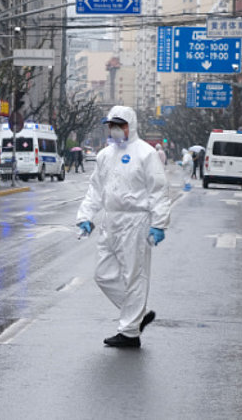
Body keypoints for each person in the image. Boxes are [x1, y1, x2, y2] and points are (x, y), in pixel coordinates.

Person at [76, 105, 171, 348]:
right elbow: (95, 189)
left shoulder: (146, 154)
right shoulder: (105, 155)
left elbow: (158, 191)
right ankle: (139, 314)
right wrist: (85, 216)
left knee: (134, 276)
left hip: (136, 221)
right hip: (111, 220)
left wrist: (159, 223)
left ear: (131, 125)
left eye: (120, 124)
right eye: (112, 125)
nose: (115, 129)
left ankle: (129, 332)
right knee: (102, 274)